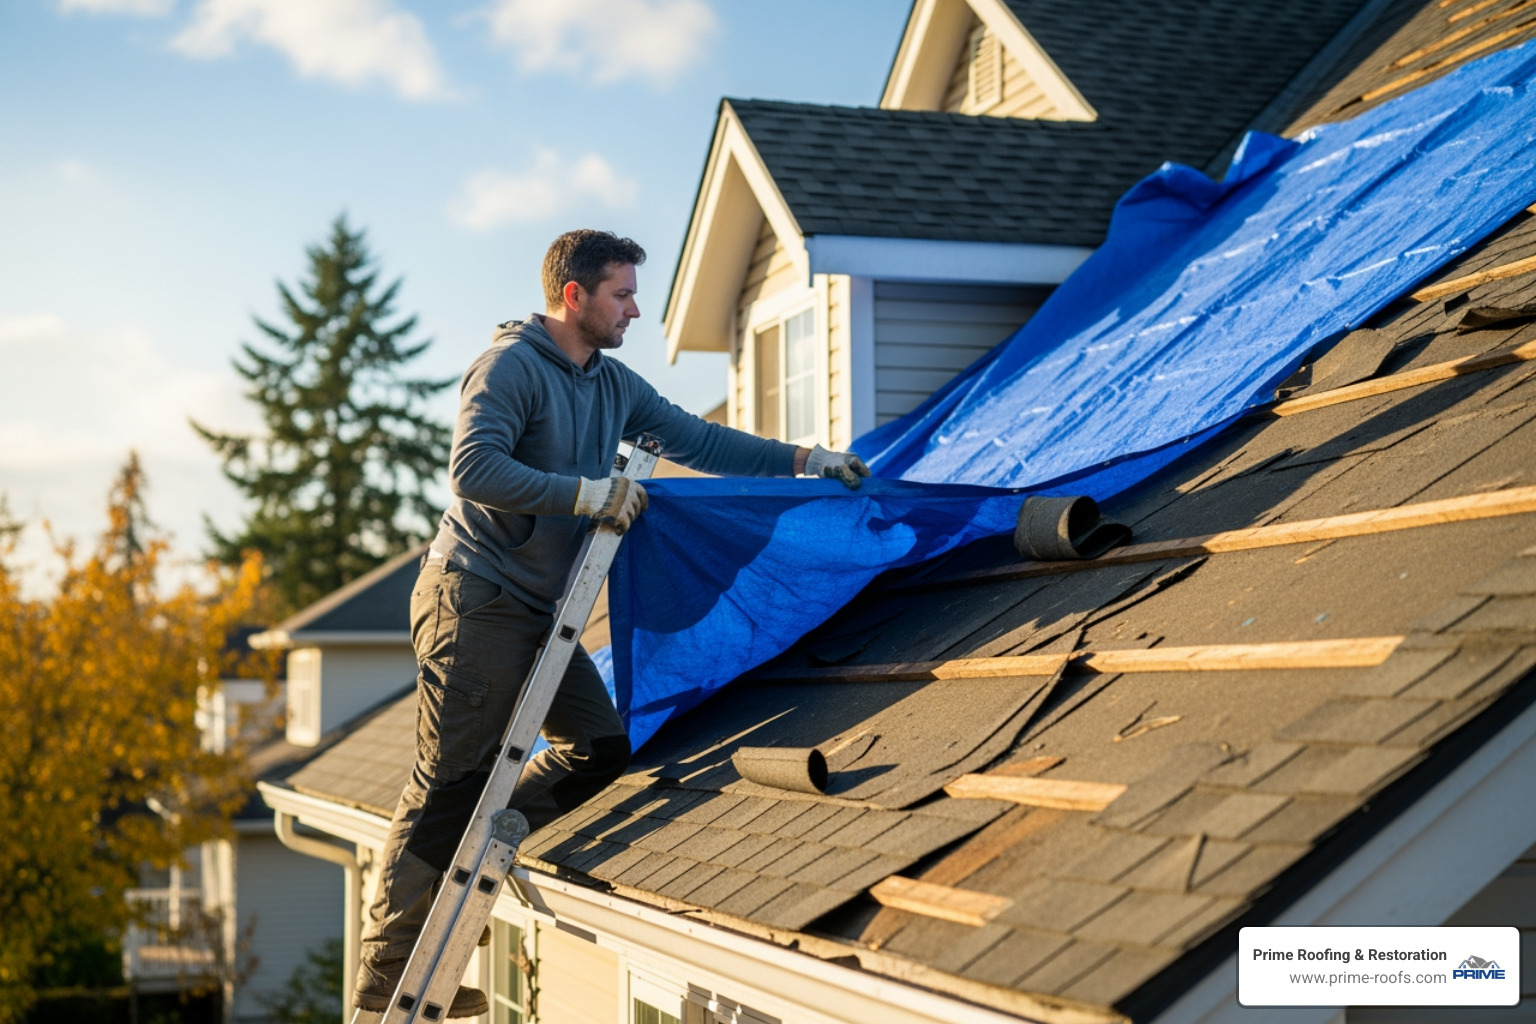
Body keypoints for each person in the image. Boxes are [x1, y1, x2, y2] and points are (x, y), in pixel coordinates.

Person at [354, 229, 870, 1015]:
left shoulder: (614, 386)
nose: (635, 310)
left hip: (541, 612)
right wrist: (587, 495)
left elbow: (702, 440)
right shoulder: (511, 367)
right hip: (475, 597)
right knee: (447, 781)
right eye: (623, 295)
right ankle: (387, 974)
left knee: (599, 749)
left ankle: (471, 859)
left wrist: (806, 461)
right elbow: (472, 467)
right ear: (574, 296)